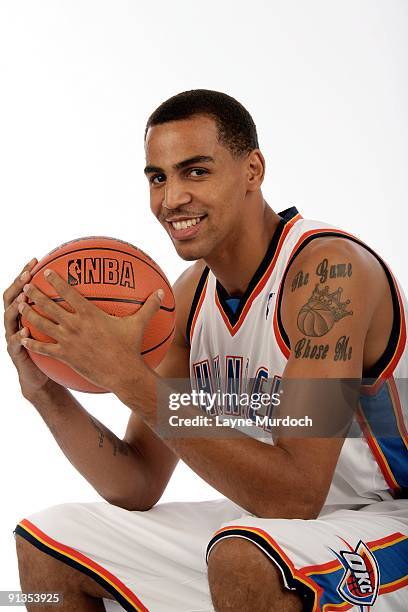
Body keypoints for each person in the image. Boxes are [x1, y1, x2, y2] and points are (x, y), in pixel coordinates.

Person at [4, 89, 407, 612]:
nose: (171, 199)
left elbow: (297, 494)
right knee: (49, 542)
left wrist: (127, 376)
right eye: (158, 177)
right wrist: (46, 393)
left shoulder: (328, 276)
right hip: (277, 530)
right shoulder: (189, 298)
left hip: (387, 517)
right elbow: (139, 481)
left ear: (252, 171)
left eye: (195, 171)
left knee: (244, 555)